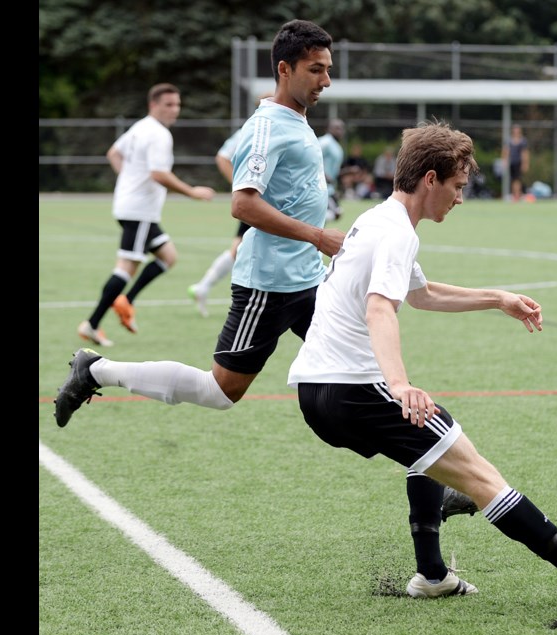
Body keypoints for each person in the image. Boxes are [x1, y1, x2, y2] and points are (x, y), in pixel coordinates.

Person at [53, 20, 478, 597]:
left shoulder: (301, 121)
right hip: (269, 287)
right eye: (316, 69)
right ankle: (97, 369)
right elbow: (243, 204)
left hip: (310, 284)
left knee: (374, 380)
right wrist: (317, 236)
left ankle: (431, 496)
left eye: (329, 68)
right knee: (220, 391)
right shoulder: (267, 125)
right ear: (285, 69)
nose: (327, 78)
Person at [288, 119, 557, 604]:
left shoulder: (378, 220)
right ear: (431, 180)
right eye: (458, 186)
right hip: (353, 388)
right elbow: (381, 306)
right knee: (479, 474)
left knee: (430, 449)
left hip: (315, 392)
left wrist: (497, 298)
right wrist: (398, 384)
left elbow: (421, 294)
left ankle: (432, 575)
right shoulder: (397, 233)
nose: (461, 197)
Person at [77, 83, 216, 347]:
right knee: (126, 268)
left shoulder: (140, 127)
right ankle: (92, 324)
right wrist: (192, 192)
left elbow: (113, 153)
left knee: (168, 256)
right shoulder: (158, 134)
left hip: (134, 208)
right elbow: (158, 174)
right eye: (168, 104)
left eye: (177, 104)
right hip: (139, 211)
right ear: (153, 105)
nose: (175, 110)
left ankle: (126, 301)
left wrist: (128, 180)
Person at [187, 92, 274, 318]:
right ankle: (207, 288)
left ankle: (203, 287)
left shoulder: (276, 126)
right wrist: (242, 186)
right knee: (242, 249)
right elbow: (222, 157)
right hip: (260, 202)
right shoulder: (254, 128)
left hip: (268, 202)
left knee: (242, 248)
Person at [319, 118, 346, 221]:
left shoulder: (336, 146)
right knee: (334, 214)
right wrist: (323, 176)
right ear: (329, 129)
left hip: (329, 188)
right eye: (337, 128)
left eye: (342, 128)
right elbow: (312, 159)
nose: (340, 131)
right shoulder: (325, 142)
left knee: (335, 214)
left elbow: (334, 171)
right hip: (320, 187)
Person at [502, 124, 530, 201]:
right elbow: (506, 151)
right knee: (513, 179)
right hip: (512, 163)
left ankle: (517, 195)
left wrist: (525, 163)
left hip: (519, 163)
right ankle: (514, 195)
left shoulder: (523, 141)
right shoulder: (509, 140)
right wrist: (505, 161)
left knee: (517, 180)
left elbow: (524, 153)